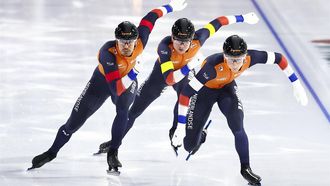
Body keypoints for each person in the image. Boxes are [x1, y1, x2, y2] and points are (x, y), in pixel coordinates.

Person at [28, 0, 188, 172]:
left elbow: (151, 16)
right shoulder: (108, 52)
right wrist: (134, 73)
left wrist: (170, 7)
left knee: (123, 111)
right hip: (102, 83)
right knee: (72, 124)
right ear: (116, 41)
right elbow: (116, 89)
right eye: (122, 42)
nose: (126, 46)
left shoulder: (142, 39)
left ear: (136, 40)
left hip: (127, 81)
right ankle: (52, 152)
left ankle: (113, 152)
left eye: (130, 42)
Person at [96, 13, 260, 155]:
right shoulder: (164, 47)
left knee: (183, 96)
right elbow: (169, 79)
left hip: (183, 77)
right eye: (178, 40)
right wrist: (189, 66)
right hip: (161, 76)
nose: (181, 45)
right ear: (172, 38)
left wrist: (243, 18)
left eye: (185, 40)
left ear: (192, 39)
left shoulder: (199, 39)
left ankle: (177, 130)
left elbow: (218, 22)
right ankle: (115, 141)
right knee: (134, 111)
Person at [170, 35, 308, 185]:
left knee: (237, 125)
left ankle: (245, 168)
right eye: (230, 59)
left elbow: (279, 58)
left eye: (238, 59)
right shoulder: (211, 68)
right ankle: (201, 134)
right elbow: (185, 95)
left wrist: (296, 84)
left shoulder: (251, 57)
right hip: (204, 92)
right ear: (224, 56)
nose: (235, 64)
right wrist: (181, 126)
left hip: (226, 89)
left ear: (245, 56)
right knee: (189, 146)